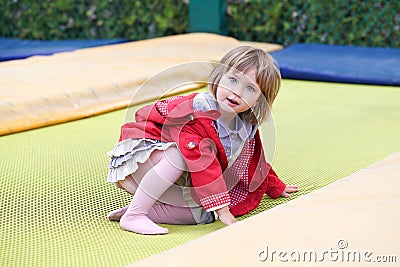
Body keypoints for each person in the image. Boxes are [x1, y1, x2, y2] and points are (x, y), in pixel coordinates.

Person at [106, 46, 298, 235]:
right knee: (179, 157)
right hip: (141, 161)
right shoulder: (199, 112)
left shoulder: (243, 127)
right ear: (218, 78)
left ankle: (145, 210)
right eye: (232, 80)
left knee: (205, 211)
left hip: (173, 174)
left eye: (249, 88)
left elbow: (253, 163)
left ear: (258, 100)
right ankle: (135, 214)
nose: (237, 92)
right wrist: (223, 210)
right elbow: (200, 159)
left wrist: (275, 186)